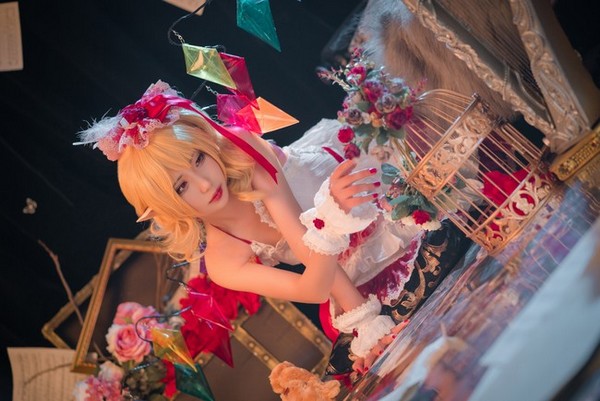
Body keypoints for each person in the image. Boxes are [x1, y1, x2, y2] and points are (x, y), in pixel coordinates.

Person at [77, 80, 467, 377]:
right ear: (167, 206)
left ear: (208, 144)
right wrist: (367, 320)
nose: (204, 184)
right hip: (343, 271)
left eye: (198, 159)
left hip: (376, 187)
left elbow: (313, 242)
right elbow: (314, 286)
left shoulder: (243, 149)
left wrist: (321, 213)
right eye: (181, 186)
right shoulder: (224, 259)